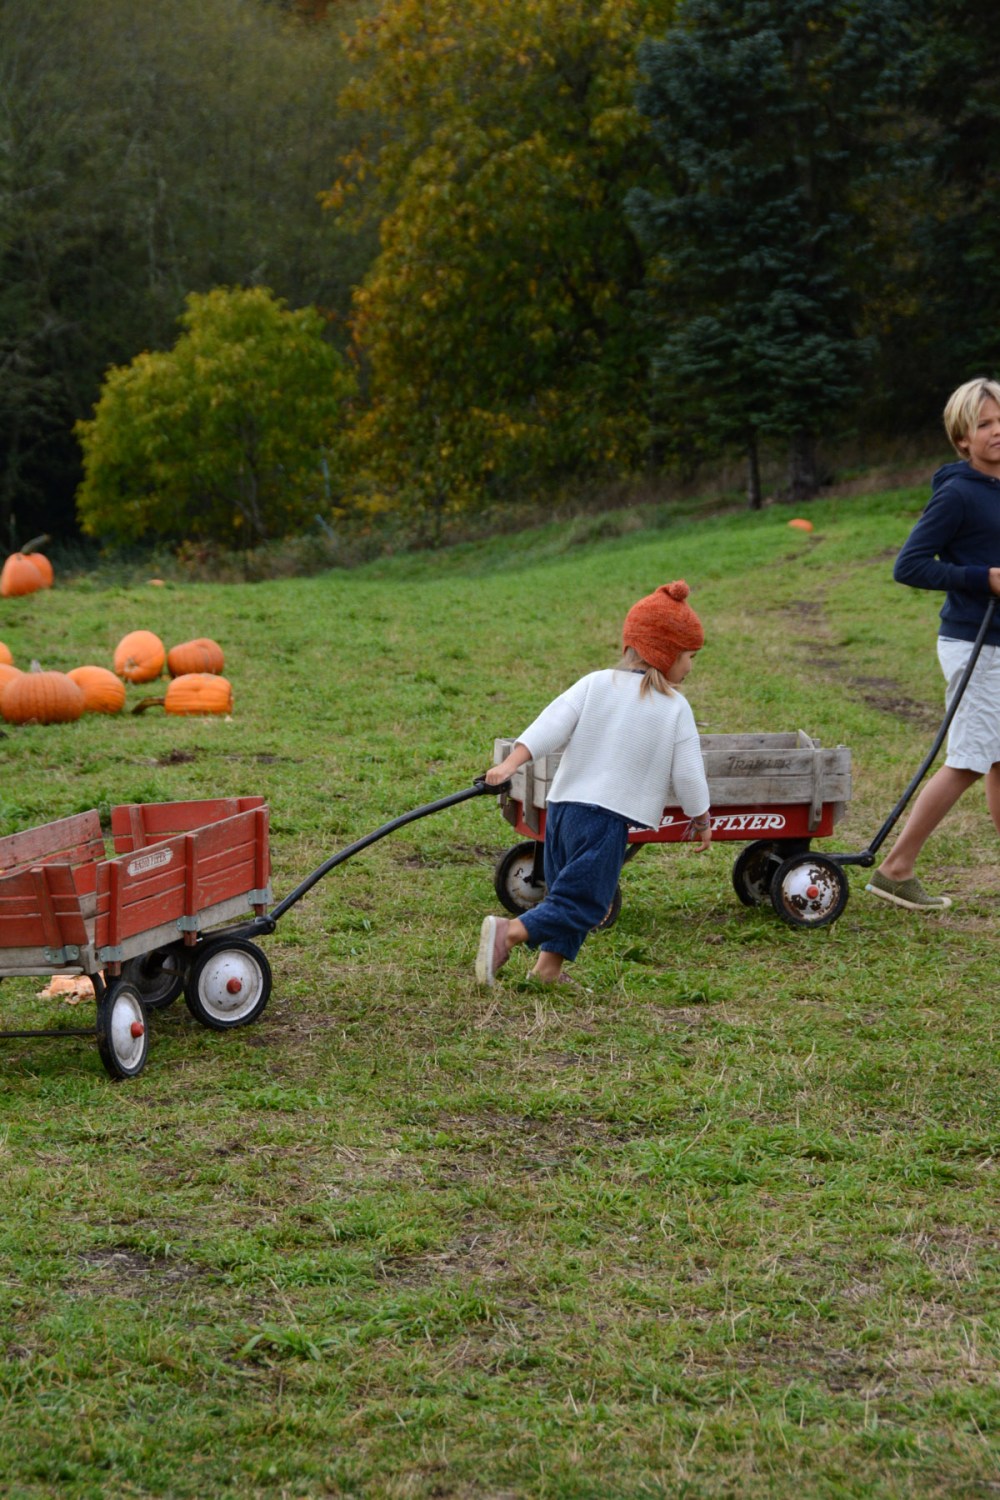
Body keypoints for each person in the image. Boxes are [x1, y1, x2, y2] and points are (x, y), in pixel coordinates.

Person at [475, 580, 712, 986]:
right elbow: (689, 772)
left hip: (563, 811)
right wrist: (701, 816)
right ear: (666, 653)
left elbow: (550, 726)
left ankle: (547, 970)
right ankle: (509, 933)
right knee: (586, 902)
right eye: (690, 656)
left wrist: (512, 763)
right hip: (604, 820)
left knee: (565, 893)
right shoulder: (674, 708)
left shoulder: (595, 683)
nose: (690, 666)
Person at [867, 376, 1000, 911]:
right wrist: (981, 578)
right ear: (962, 439)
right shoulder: (957, 493)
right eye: (985, 424)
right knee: (969, 760)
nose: (997, 432)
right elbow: (911, 566)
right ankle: (895, 869)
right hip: (976, 645)